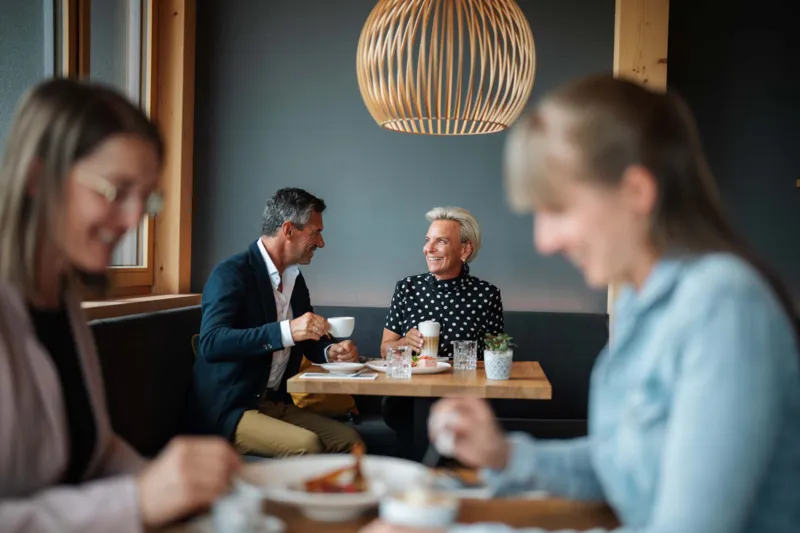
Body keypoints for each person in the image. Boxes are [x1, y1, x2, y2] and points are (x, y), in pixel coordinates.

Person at [361, 75, 800, 533]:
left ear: (636, 193)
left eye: (559, 209)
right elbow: (621, 463)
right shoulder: (640, 302)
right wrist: (504, 454)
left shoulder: (722, 305)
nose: (545, 240)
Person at [0, 79, 240, 532]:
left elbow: (95, 450)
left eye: (145, 197)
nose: (134, 219)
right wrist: (138, 499)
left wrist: (169, 481)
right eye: (115, 190)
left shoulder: (61, 300)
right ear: (37, 178)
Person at [187, 187, 363, 457]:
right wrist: (287, 330)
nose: (321, 243)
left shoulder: (295, 279)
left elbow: (307, 339)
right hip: (231, 409)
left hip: (275, 403)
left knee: (351, 440)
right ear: (289, 230)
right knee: (308, 446)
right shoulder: (231, 273)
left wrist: (330, 352)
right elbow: (212, 343)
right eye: (316, 232)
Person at [380, 207, 504, 458]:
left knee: (451, 417)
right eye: (428, 240)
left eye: (441, 241)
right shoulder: (407, 288)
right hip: (408, 397)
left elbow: (497, 354)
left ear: (465, 249)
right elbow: (384, 349)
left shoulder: (487, 294)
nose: (429, 248)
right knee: (415, 413)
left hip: (462, 397)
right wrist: (404, 342)